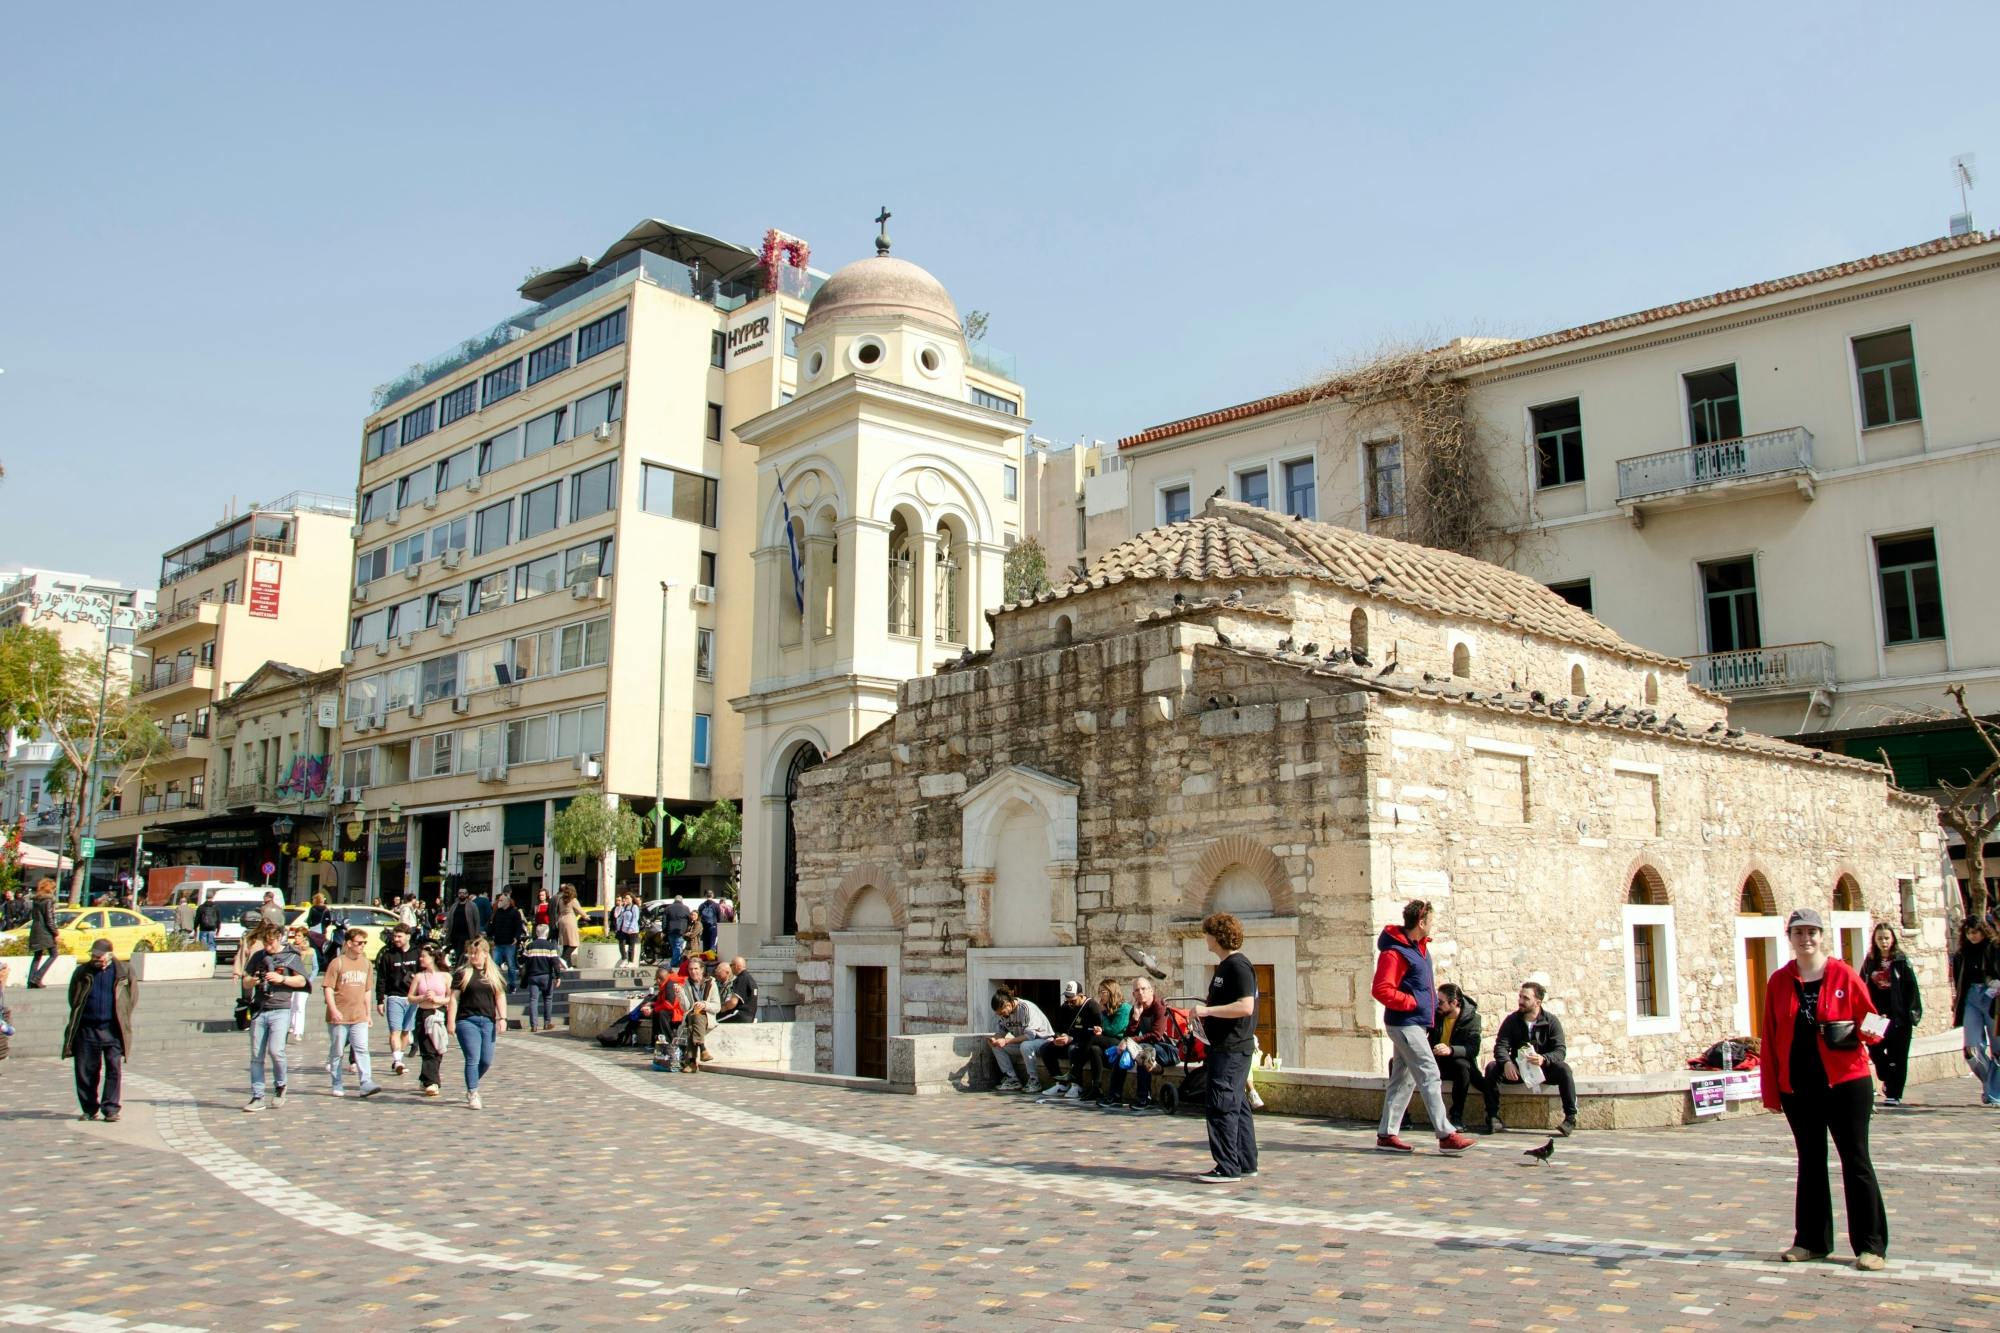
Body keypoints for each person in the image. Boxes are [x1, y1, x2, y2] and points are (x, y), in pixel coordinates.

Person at [1761, 907, 1889, 1270]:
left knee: (1856, 1160)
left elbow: (1874, 1018)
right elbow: (1770, 1037)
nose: (1806, 939)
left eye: (1812, 932)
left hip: (1847, 1083)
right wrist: (1772, 1089)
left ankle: (1871, 1245)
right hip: (1800, 1088)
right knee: (1811, 1163)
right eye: (1799, 933)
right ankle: (1811, 1241)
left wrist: (1864, 1034)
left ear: (1822, 936)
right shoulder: (1779, 981)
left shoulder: (1843, 974)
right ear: (1790, 938)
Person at [1373, 899, 1478, 1155]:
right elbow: (1381, 989)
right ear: (1421, 922)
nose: (1433, 925)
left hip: (1414, 1025)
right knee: (1430, 1073)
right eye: (1430, 920)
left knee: (1403, 1079)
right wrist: (1411, 1003)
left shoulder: (1419, 949)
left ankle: (1387, 1134)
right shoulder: (1395, 952)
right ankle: (1445, 1134)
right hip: (1405, 1024)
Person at [1191, 912, 1260, 1182]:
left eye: (1208, 933)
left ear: (1217, 936)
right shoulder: (1225, 967)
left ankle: (1227, 1166)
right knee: (1238, 1104)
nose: (1205, 938)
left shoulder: (1238, 966)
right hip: (1224, 1046)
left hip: (1232, 1048)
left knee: (1221, 1105)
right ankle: (1246, 1161)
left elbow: (1246, 1006)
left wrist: (1207, 1011)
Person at [1482, 981, 1578, 1136]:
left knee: (1564, 1069)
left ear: (1537, 1002)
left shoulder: (1551, 1021)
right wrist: (1506, 1062)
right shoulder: (1512, 1020)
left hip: (1543, 1069)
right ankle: (1492, 1116)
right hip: (1518, 1070)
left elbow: (1560, 1051)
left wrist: (1544, 1058)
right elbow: (1501, 1046)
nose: (1520, 1001)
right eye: (1520, 997)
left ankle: (1570, 1118)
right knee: (1492, 1068)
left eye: (1526, 998)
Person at [62, 940, 136, 1122]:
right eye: (93, 955)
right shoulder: (82, 972)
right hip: (87, 1030)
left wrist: (121, 1016)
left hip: (113, 1029)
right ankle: (89, 1108)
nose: (95, 959)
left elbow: (131, 998)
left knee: (113, 1070)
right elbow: (74, 998)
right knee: (86, 1071)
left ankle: (110, 1108)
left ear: (109, 955)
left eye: (99, 956)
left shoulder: (123, 971)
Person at [242, 924, 307, 1112]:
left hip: (281, 1009)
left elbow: (302, 980)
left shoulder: (290, 956)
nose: (268, 947)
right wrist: (252, 980)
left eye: (271, 943)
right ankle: (257, 1095)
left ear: (279, 938)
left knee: (276, 1051)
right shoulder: (258, 957)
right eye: (265, 943)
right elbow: (245, 980)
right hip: (260, 1009)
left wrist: (282, 979)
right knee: (256, 1055)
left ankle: (280, 1086)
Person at [1861, 922, 1922, 1106]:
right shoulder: (1870, 961)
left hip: (1899, 1014)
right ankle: (1886, 1075)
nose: (1884, 942)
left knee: (1898, 1055)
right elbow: (1861, 985)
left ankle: (1894, 1093)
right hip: (1877, 1015)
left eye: (1887, 938)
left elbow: (1911, 988)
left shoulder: (1901, 961)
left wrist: (1911, 1013)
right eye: (1880, 938)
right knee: (1875, 1049)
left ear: (1893, 939)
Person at [323, 928, 382, 1099]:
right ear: (349, 943)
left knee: (362, 1049)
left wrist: (368, 1013)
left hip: (359, 1016)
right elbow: (328, 988)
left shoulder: (366, 964)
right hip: (339, 1016)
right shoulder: (338, 963)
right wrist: (333, 1009)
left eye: (364, 943)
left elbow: (367, 990)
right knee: (338, 1051)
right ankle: (337, 1082)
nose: (362, 946)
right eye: (359, 943)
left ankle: (366, 1082)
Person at [1100, 976, 1174, 1112]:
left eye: (1143, 989)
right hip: (1147, 1048)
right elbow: (1129, 1035)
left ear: (1151, 990)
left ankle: (1144, 1098)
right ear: (1133, 994)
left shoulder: (1160, 1007)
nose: (1140, 992)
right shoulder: (1137, 1008)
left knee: (1142, 1052)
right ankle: (1115, 1095)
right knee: (1120, 1051)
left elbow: (1156, 1036)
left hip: (1165, 1049)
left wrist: (1130, 1041)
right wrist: (1135, 1018)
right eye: (1137, 990)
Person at [448, 936, 506, 1108]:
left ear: (485, 954)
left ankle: (471, 1081)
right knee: (472, 1057)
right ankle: (473, 1092)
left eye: (476, 953)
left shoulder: (494, 974)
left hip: (488, 1020)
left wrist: (502, 1018)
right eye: (470, 953)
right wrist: (451, 1021)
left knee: (486, 1060)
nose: (472, 957)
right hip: (467, 1020)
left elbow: (500, 996)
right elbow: (453, 999)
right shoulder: (462, 973)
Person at [1949, 918, 2000, 1105]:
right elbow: (1958, 981)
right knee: (1972, 1048)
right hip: (1971, 998)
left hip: (1994, 997)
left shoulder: (1994, 948)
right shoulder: (1962, 954)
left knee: (1998, 1048)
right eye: (1969, 932)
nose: (1973, 936)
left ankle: (1994, 1092)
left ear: (1983, 931)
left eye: (1976, 932)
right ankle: (1991, 1084)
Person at [1430, 983, 1486, 1131]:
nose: (1438, 1005)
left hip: (1456, 1063)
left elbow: (1473, 1049)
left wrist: (1451, 1050)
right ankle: (1402, 1116)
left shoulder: (1472, 1019)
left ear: (1454, 1002)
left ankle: (1456, 1116)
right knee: (1397, 1062)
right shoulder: (1436, 1015)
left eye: (1441, 1002)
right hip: (1436, 1061)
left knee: (1462, 1066)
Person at [1037, 981, 1105, 1100]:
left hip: (1084, 1045)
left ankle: (1077, 1085)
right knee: (1046, 1049)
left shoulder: (1092, 1007)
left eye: (1073, 1000)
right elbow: (1058, 1028)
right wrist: (1059, 1036)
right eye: (1067, 1000)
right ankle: (1060, 1083)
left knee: (1073, 1049)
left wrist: (1072, 1038)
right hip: (1067, 1041)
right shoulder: (1065, 1007)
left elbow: (1095, 1033)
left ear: (1081, 995)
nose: (1070, 1003)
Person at [987, 985, 1055, 1094]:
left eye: (1001, 1012)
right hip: (1024, 1043)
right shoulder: (1004, 1014)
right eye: (998, 1013)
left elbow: (1030, 1036)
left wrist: (1006, 1041)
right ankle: (1012, 1079)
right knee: (997, 1047)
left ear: (1008, 1004)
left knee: (1026, 1045)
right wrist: (995, 1039)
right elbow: (1001, 1032)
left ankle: (1034, 1081)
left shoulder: (1025, 1008)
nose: (1000, 1015)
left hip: (1044, 1042)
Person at [373, 924, 421, 1076]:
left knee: (406, 1032)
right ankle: (398, 1060)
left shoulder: (417, 953)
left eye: (399, 936)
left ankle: (398, 1059)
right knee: (395, 1031)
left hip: (412, 998)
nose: (396, 939)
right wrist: (380, 1000)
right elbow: (381, 978)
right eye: (395, 936)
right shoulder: (388, 955)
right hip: (394, 996)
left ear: (408, 936)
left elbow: (424, 973)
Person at [408, 944, 452, 1098]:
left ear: (433, 957)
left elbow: (451, 998)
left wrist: (438, 999)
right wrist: (422, 997)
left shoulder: (445, 976)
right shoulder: (419, 976)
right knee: (427, 1048)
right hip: (424, 1014)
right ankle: (431, 1082)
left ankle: (425, 1077)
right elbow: (410, 997)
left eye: (423, 956)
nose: (421, 959)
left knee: (438, 1047)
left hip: (440, 1013)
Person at [1082, 979, 1133, 1099]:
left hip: (1122, 1042)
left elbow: (1114, 1030)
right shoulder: (1107, 1009)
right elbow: (1106, 1029)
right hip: (1110, 1044)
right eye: (1099, 992)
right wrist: (1102, 1024)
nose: (1100, 995)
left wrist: (1102, 1027)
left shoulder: (1125, 1008)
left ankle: (1076, 1069)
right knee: (1094, 1049)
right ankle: (1096, 1088)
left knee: (1094, 1039)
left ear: (1111, 992)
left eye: (1102, 992)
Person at [682, 956, 723, 1070]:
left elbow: (717, 1007)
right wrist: (680, 994)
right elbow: (686, 1007)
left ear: (702, 969)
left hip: (707, 1016)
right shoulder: (687, 984)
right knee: (694, 1017)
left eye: (695, 969)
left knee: (695, 1021)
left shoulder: (711, 983)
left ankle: (691, 1062)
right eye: (690, 969)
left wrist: (705, 1005)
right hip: (691, 1016)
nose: (693, 972)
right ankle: (702, 1048)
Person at [520, 924, 563, 1031]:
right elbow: (555, 963)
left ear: (537, 933)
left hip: (533, 977)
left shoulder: (530, 946)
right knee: (548, 999)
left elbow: (521, 960)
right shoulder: (550, 946)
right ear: (547, 933)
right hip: (546, 977)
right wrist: (558, 976)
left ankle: (533, 1025)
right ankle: (547, 1023)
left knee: (533, 1000)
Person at [284, 925, 319, 1042]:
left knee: (299, 1006)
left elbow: (315, 967)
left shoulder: (311, 951)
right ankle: (291, 1026)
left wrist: (310, 980)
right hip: (293, 980)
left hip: (304, 982)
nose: (296, 938)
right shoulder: (292, 948)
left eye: (299, 936)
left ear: (305, 938)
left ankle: (298, 1031)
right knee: (291, 1004)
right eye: (296, 935)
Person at [26, 879, 60, 988]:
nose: (54, 891)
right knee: (54, 954)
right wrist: (56, 933)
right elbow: (49, 920)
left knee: (37, 955)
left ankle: (31, 980)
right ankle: (36, 978)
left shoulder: (37, 900)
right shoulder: (48, 901)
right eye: (54, 888)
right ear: (49, 888)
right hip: (45, 932)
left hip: (36, 930)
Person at [488, 892, 526, 991]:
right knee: (495, 964)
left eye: (501, 900)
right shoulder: (498, 912)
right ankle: (495, 985)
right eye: (499, 900)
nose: (499, 902)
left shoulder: (514, 912)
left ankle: (512, 985)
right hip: (498, 942)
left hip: (509, 943)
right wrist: (489, 934)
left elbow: (518, 926)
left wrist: (516, 937)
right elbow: (493, 926)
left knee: (511, 966)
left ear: (507, 902)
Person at [720, 955, 759, 1024]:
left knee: (713, 1022)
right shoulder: (750, 979)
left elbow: (733, 1002)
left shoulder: (741, 979)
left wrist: (721, 1008)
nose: (730, 967)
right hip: (750, 1016)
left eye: (731, 965)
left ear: (736, 966)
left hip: (740, 1014)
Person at [661, 896, 692, 969]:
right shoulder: (686, 908)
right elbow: (689, 920)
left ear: (674, 900)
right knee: (678, 946)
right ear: (681, 900)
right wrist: (687, 929)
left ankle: (675, 962)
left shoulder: (668, 908)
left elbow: (664, 921)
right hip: (681, 930)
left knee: (675, 946)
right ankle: (676, 962)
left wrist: (664, 931)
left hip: (670, 930)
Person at [556, 885, 582, 969]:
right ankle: (563, 959)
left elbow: (559, 911)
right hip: (570, 920)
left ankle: (568, 965)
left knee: (566, 943)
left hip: (562, 920)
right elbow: (580, 910)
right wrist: (586, 916)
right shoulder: (573, 900)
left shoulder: (561, 900)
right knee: (574, 943)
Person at [614, 894, 641, 964]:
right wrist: (618, 927)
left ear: (632, 899)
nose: (626, 900)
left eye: (627, 898)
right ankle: (624, 958)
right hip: (624, 929)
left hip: (632, 930)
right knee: (621, 944)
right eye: (625, 898)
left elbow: (635, 918)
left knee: (631, 947)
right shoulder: (625, 907)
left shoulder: (634, 907)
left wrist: (631, 928)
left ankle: (631, 962)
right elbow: (620, 917)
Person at [697, 889, 722, 957]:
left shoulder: (701, 905)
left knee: (705, 944)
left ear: (705, 896)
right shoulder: (716, 905)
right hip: (713, 927)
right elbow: (719, 918)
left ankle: (705, 960)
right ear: (712, 895)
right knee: (712, 944)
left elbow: (699, 917)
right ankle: (711, 960)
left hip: (704, 927)